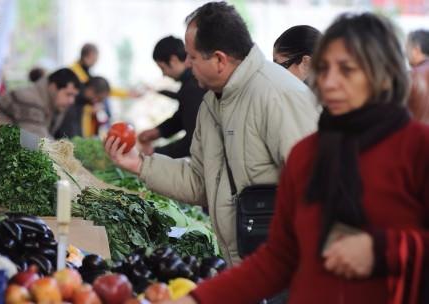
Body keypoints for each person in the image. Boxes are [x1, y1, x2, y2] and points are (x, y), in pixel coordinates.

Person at [167, 12, 428, 304]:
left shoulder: (417, 150)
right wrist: (196, 300)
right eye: (324, 68)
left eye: (346, 70)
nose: (329, 82)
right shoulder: (307, 154)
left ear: (383, 75)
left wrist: (384, 251)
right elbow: (278, 258)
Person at [104, 1, 319, 266]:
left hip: (286, 272)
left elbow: (319, 191)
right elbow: (201, 182)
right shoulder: (212, 104)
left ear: (219, 59)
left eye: (192, 57)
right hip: (247, 269)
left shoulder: (278, 95)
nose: (188, 65)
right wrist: (140, 164)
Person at [137, 36, 206, 158]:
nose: (163, 74)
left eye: (162, 68)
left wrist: (155, 153)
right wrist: (158, 131)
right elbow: (183, 116)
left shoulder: (195, 86)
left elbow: (195, 141)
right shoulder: (189, 84)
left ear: (173, 60)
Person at [0, 68, 80, 139]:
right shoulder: (29, 99)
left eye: (74, 96)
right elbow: (36, 142)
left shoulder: (55, 105)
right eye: (68, 94)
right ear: (53, 87)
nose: (71, 101)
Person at [406, 29, 429, 123]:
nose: (405, 54)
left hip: (420, 135)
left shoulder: (411, 76)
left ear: (416, 50)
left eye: (407, 49)